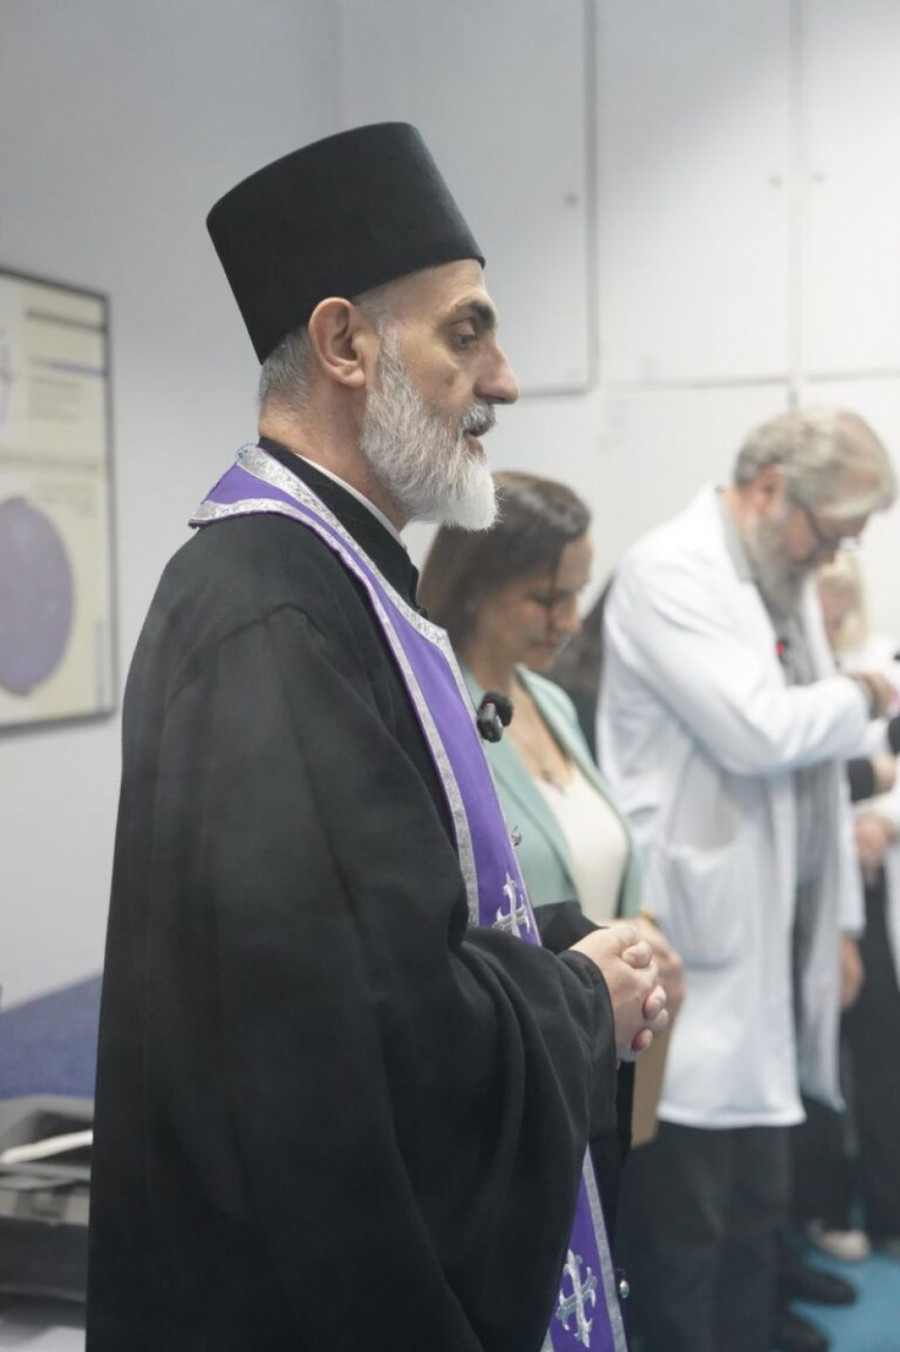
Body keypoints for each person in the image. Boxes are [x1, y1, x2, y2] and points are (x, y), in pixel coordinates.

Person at [85, 124, 667, 1352]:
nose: (505, 379)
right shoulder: (272, 613)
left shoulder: (338, 580)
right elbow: (347, 1041)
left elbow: (381, 922)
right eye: (468, 332)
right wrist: (578, 1000)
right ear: (346, 344)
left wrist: (559, 936)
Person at [598, 408, 897, 1352]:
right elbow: (762, 731)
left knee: (757, 1202)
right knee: (689, 1222)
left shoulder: (782, 576)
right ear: (773, 492)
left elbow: (817, 779)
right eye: (832, 531)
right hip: (692, 942)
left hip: (775, 935)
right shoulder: (670, 570)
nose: (837, 554)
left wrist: (839, 925)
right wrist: (864, 691)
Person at [420, 473, 685, 1224]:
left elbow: (602, 861)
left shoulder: (554, 702)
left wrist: (642, 934)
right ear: (475, 585)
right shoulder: (434, 713)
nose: (569, 620)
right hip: (513, 1055)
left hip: (595, 1044)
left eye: (577, 594)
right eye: (545, 598)